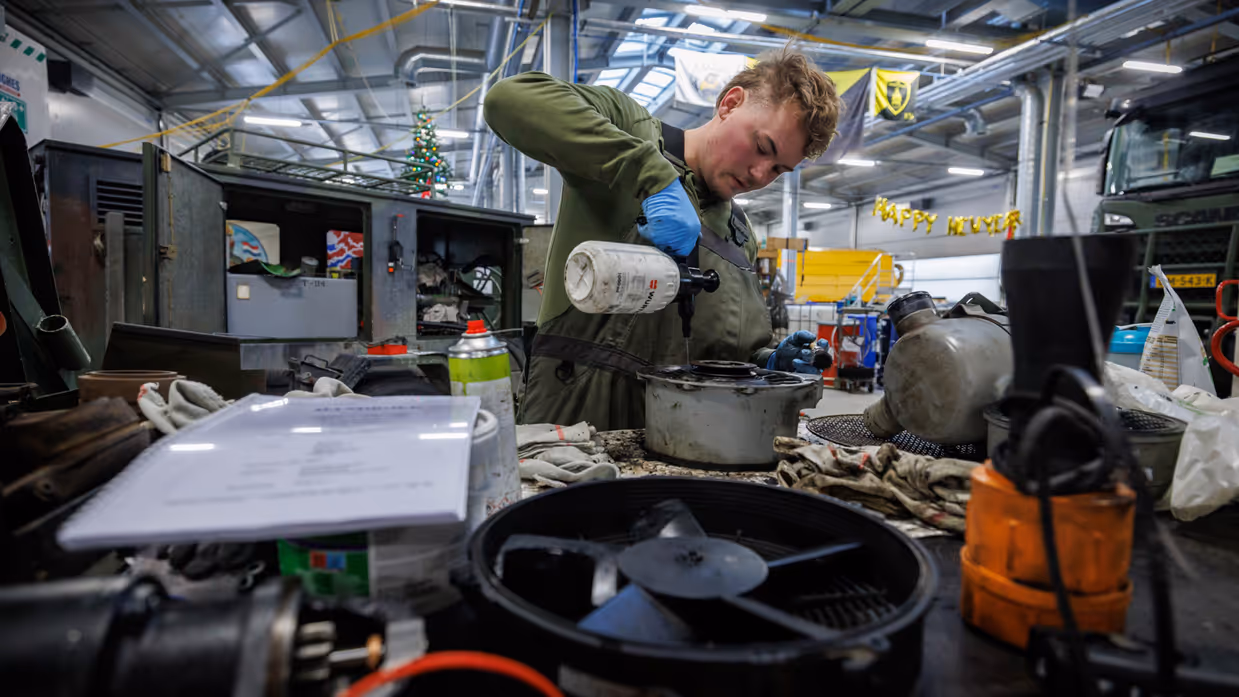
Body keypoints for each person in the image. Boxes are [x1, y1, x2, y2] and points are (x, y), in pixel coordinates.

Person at [485, 47, 842, 430]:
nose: (759, 174)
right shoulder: (632, 131)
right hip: (575, 432)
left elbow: (714, 351)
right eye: (762, 147)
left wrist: (766, 362)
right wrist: (652, 178)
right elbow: (507, 100)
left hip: (681, 442)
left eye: (778, 169)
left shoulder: (739, 236)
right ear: (731, 103)